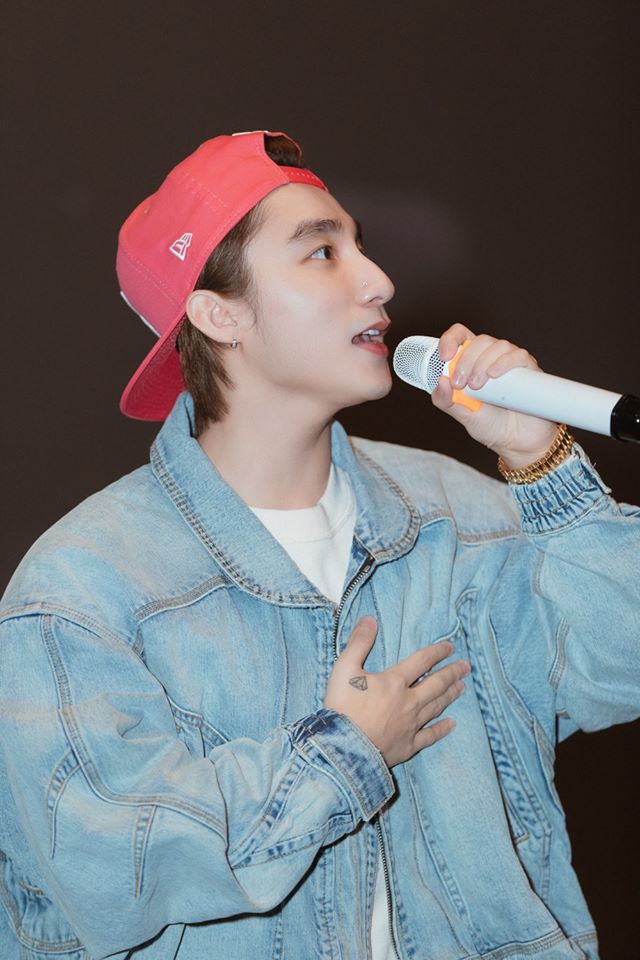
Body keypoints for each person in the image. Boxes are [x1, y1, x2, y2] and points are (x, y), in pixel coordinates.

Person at [0, 130, 637, 960]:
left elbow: (623, 662)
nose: (379, 281)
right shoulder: (83, 590)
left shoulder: (464, 520)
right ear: (219, 313)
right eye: (322, 253)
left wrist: (539, 460)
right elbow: (108, 868)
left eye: (359, 247)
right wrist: (343, 756)